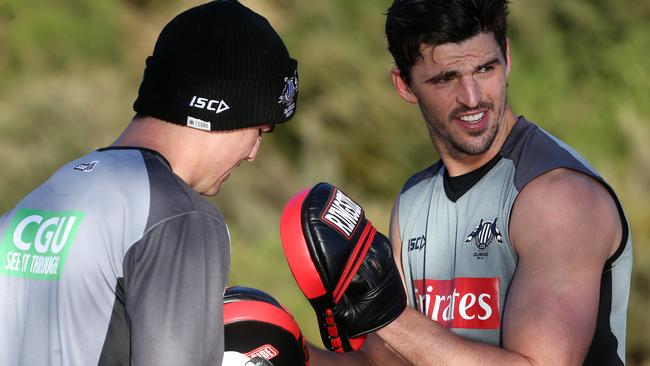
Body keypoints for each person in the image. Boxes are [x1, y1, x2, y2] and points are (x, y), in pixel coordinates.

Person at [306, 0, 632, 365]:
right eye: (446, 78)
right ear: (405, 84)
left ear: (506, 56)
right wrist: (282, 346)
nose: (472, 97)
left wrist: (385, 315)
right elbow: (384, 362)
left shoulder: (560, 198)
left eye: (485, 68)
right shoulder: (414, 200)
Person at [0, 1, 298, 365]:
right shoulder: (178, 217)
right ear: (221, 111)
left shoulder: (37, 202)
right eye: (260, 130)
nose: (253, 152)